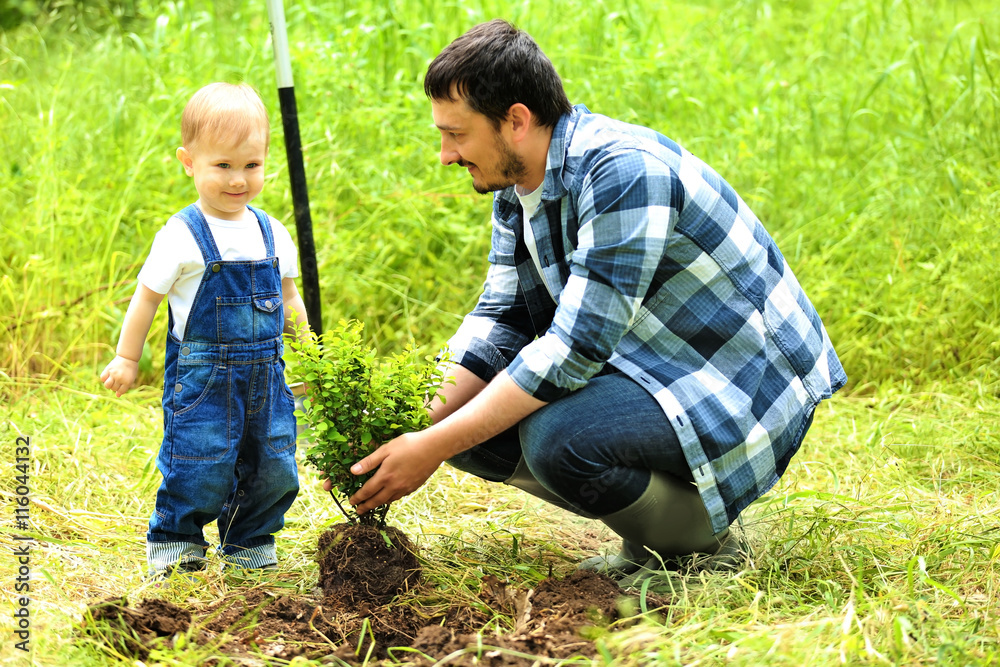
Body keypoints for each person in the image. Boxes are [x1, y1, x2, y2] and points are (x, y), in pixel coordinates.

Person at [343, 20, 847, 580]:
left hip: (737, 379)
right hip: (651, 363)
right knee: (462, 422)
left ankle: (699, 547)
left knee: (559, 437)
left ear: (515, 120)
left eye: (457, 134)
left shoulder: (622, 173)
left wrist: (430, 445)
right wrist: (416, 427)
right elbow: (500, 319)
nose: (444, 154)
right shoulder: (516, 189)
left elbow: (575, 349)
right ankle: (656, 533)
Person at [100, 83, 308, 578]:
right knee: (200, 460)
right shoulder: (181, 235)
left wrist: (314, 355)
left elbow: (290, 298)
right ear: (188, 161)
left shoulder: (271, 231)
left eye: (251, 165)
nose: (238, 180)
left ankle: (251, 538)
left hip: (266, 377)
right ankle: (176, 539)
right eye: (223, 166)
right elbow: (147, 297)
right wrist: (128, 358)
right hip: (203, 380)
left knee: (273, 461)